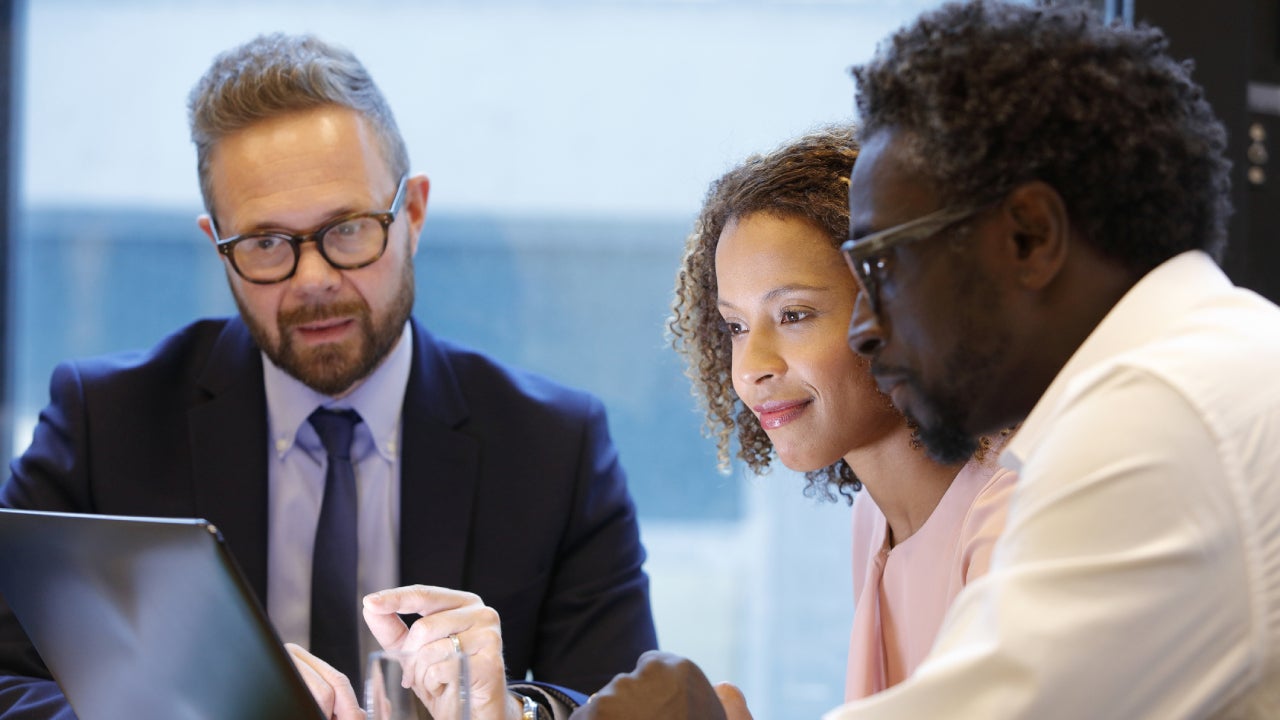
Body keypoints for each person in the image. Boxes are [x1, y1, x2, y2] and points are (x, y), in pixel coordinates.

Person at [574, 1, 1280, 718]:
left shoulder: (1156, 416)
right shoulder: (1216, 364)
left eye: (885, 265)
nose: (872, 326)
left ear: (1031, 236)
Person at [0, 33, 657, 719]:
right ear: (218, 249)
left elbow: (626, 704)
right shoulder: (103, 424)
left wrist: (513, 713)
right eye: (265, 244)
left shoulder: (555, 445)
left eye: (347, 230)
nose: (313, 280)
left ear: (414, 214)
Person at [667, 125, 1015, 701]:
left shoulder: (1010, 512)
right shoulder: (871, 520)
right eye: (734, 326)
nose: (751, 366)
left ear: (905, 307)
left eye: (794, 315)